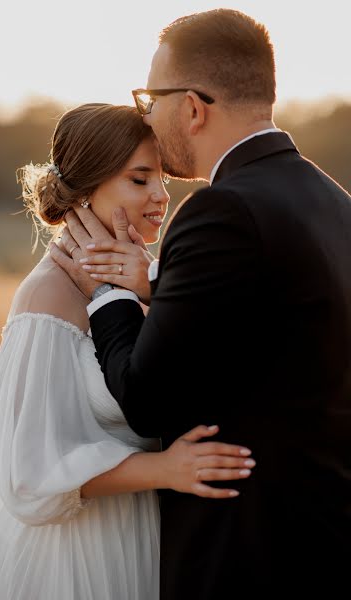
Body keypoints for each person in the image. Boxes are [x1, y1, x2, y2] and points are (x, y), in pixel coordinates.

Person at [50, 9, 351, 598]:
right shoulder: (335, 204)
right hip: (327, 538)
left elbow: (147, 400)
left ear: (191, 106)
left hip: (246, 553)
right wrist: (155, 284)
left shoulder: (222, 210)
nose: (147, 115)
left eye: (150, 99)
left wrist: (107, 294)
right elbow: (274, 321)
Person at [0, 103, 256, 600]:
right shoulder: (46, 297)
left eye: (162, 179)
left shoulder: (153, 279)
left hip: (140, 536)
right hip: (71, 556)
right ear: (85, 191)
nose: (162, 197)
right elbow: (27, 475)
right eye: (139, 180)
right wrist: (165, 469)